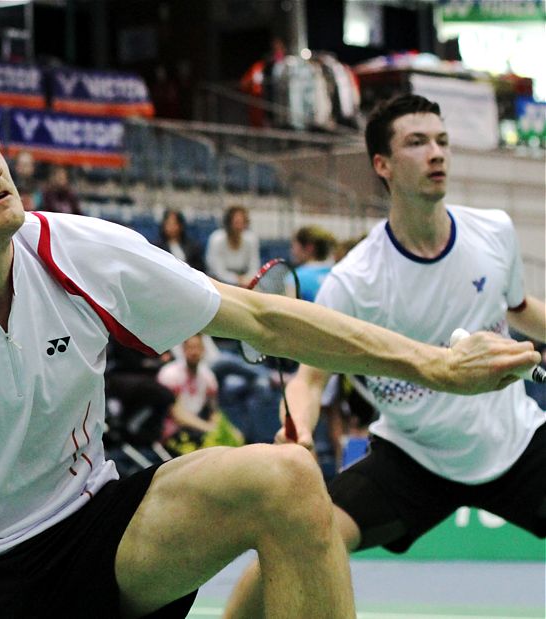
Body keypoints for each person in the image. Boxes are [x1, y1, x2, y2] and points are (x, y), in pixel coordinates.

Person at [0, 79, 538, 619]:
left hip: (93, 538)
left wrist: (431, 364)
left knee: (290, 477)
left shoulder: (81, 251)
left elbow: (260, 318)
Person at [222, 94, 546, 618]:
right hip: (413, 458)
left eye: (441, 140)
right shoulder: (356, 282)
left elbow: (520, 308)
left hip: (515, 444)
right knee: (298, 532)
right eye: (416, 143)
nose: (436, 153)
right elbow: (309, 378)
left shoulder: (495, 233)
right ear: (383, 165)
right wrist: (299, 430)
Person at [205, 204, 260, 286]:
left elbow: (254, 267)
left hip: (244, 282)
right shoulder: (216, 239)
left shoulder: (251, 239)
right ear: (228, 223)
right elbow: (218, 271)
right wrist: (237, 280)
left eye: (242, 223)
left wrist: (247, 280)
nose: (239, 227)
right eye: (236, 223)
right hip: (219, 282)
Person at [290, 224, 337, 302]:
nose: (292, 251)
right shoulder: (337, 274)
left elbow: (289, 311)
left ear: (309, 247)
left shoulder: (296, 277)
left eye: (294, 246)